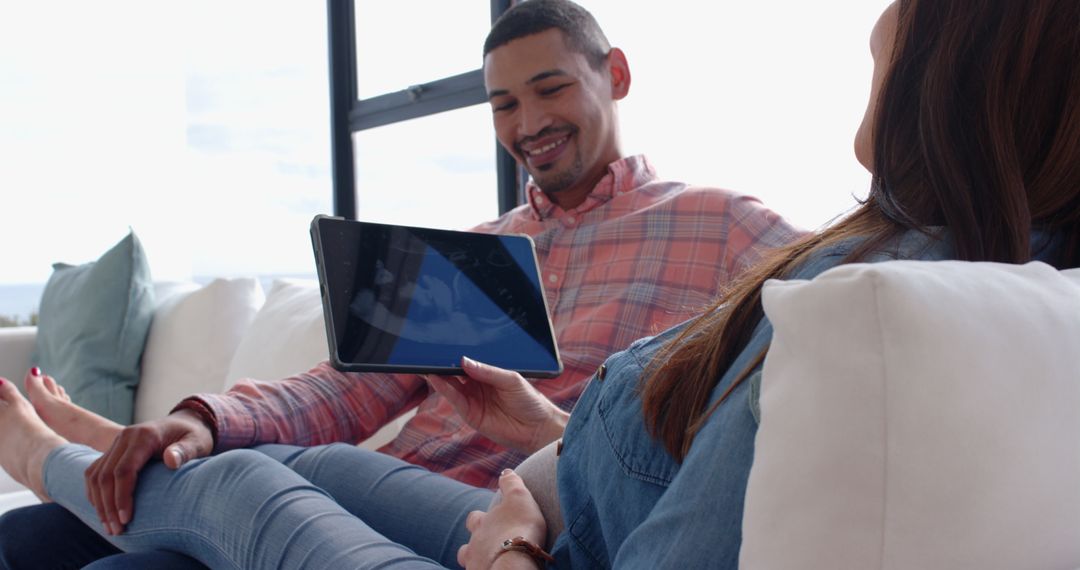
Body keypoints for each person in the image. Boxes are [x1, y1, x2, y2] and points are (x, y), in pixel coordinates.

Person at [7, 0, 1078, 567]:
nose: (527, 124)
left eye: (549, 88)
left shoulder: (738, 233)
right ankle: (116, 458)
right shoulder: (475, 243)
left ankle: (71, 457)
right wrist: (200, 418)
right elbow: (343, 388)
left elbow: (783, 396)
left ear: (614, 77)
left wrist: (537, 441)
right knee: (50, 536)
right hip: (467, 495)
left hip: (517, 517)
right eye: (503, 106)